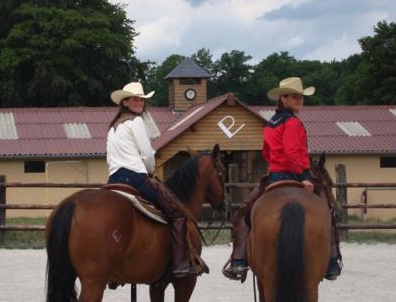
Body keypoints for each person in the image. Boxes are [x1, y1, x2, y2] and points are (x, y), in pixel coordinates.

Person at [223, 77, 342, 281]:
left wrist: (276, 167)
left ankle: (239, 261)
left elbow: (267, 153)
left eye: (301, 97)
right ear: (283, 99)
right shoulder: (293, 122)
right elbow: (292, 152)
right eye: (295, 96)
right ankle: (331, 262)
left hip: (274, 176)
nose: (299, 100)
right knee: (327, 210)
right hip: (297, 173)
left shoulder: (270, 123)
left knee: (245, 212)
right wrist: (304, 176)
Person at [107, 81, 195, 278]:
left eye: (141, 99)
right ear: (125, 102)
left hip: (113, 179)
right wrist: (150, 171)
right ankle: (181, 264)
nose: (139, 102)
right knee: (176, 214)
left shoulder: (113, 127)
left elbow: (109, 157)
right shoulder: (136, 122)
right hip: (135, 178)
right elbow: (147, 153)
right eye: (135, 99)